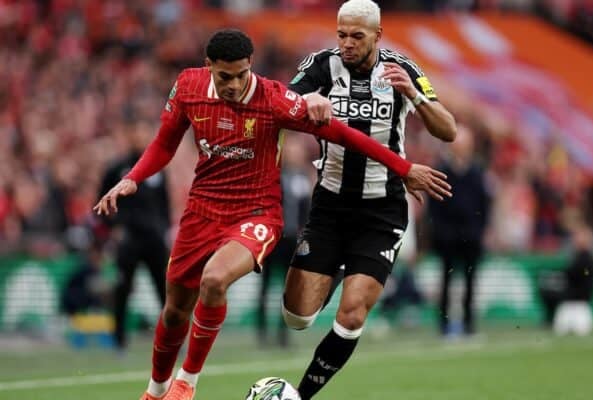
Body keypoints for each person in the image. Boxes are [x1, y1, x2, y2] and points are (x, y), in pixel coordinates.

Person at [94, 29, 451, 400]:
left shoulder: (274, 99)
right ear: (208, 68)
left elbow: (346, 136)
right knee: (174, 312)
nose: (234, 84)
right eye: (224, 76)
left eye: (241, 74)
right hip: (201, 211)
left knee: (215, 280)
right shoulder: (187, 86)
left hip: (256, 213)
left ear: (250, 66)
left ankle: (187, 382)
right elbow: (165, 142)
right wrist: (132, 179)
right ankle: (155, 390)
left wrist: (403, 167)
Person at [280, 1, 457, 398]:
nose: (346, 44)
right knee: (297, 317)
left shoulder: (402, 69)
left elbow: (449, 130)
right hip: (329, 205)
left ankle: (299, 395)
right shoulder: (321, 66)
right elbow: (283, 103)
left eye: (356, 36)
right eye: (341, 34)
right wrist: (305, 102)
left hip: (382, 210)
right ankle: (339, 268)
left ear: (377, 35)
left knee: (352, 310)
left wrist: (415, 95)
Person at [98, 120, 171, 351]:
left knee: (164, 291)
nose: (140, 137)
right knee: (123, 290)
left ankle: (171, 340)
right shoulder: (116, 170)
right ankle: (119, 340)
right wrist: (115, 227)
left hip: (154, 240)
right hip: (129, 239)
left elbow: (164, 204)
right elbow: (101, 203)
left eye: (144, 132)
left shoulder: (158, 169)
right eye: (136, 132)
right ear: (129, 135)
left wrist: (164, 230)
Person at [428, 124, 490, 336]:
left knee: (471, 282)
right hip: (447, 237)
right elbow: (433, 205)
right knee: (446, 280)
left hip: (471, 237)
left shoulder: (477, 171)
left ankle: (469, 323)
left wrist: (480, 230)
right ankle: (444, 324)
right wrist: (439, 231)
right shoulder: (442, 170)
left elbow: (484, 204)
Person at [257, 133, 313, 348]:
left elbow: (306, 210)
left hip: (292, 240)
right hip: (273, 238)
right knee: (265, 286)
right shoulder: (275, 175)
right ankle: (262, 332)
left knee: (287, 289)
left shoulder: (303, 177)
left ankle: (282, 335)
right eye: (290, 151)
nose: (294, 154)